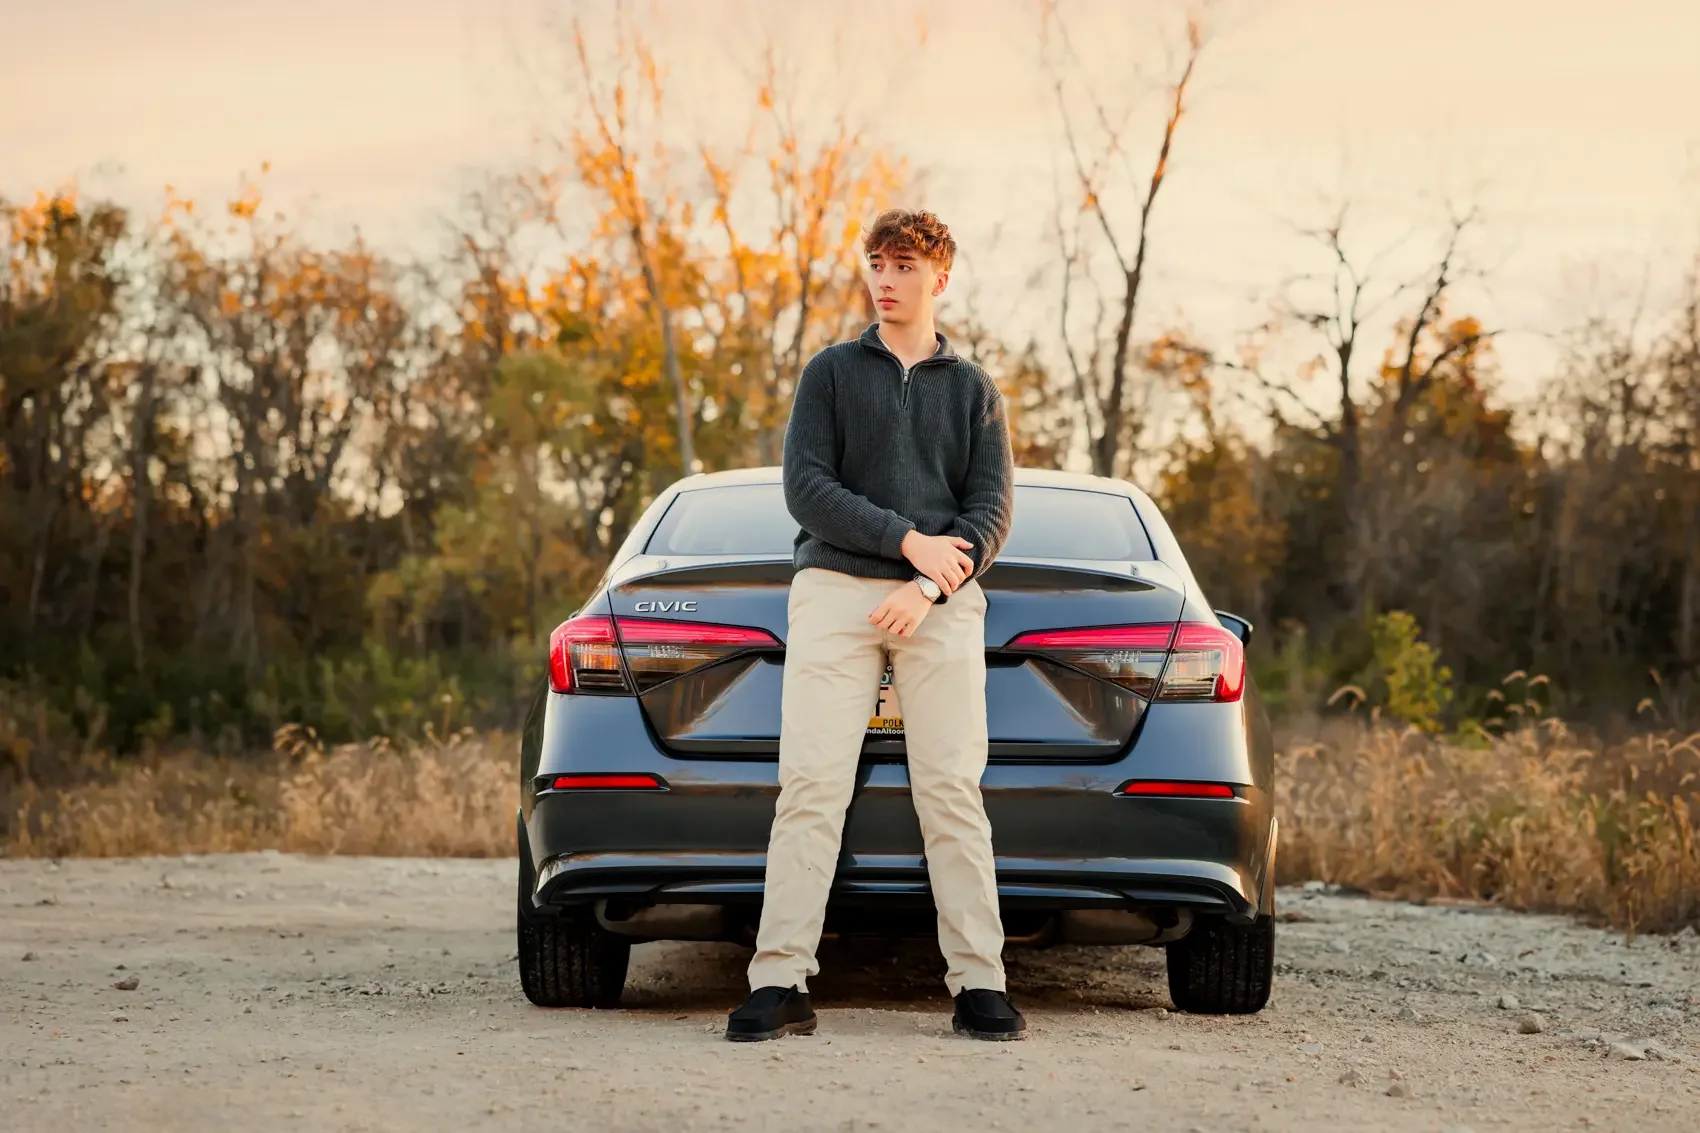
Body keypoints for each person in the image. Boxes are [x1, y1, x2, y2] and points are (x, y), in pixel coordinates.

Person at [725, 209, 1023, 1042]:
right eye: (877, 263)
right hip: (833, 592)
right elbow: (807, 489)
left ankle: (980, 983)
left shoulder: (975, 391)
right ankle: (780, 980)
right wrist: (906, 542)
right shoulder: (829, 373)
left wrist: (926, 585)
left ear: (940, 279)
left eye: (904, 266)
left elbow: (991, 513)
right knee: (811, 787)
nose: (885, 279)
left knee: (951, 792)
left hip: (941, 604)